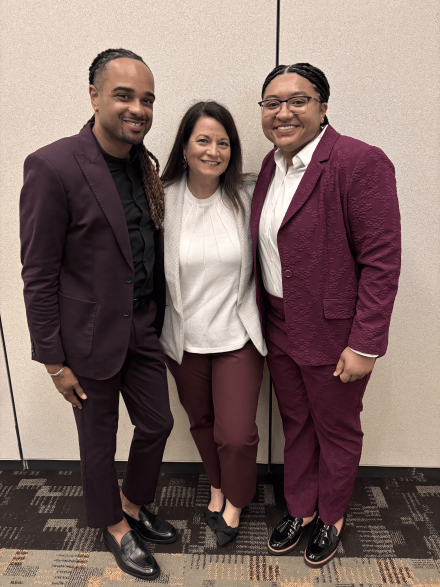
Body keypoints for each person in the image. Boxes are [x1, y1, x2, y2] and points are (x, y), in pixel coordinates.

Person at [20, 48, 177, 581]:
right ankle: (112, 525)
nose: (138, 108)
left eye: (147, 99)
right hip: (85, 337)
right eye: (125, 95)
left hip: (141, 326)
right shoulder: (54, 165)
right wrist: (52, 361)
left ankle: (132, 506)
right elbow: (38, 272)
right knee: (98, 440)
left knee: (158, 423)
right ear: (93, 96)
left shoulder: (144, 164)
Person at [251, 63, 401, 567]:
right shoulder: (271, 166)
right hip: (277, 321)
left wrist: (365, 343)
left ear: (323, 106)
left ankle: (331, 515)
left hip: (335, 332)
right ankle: (301, 507)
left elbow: (381, 259)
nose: (283, 112)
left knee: (336, 426)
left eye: (298, 100)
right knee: (296, 422)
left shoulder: (360, 161)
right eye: (272, 103)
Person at [160, 101, 267, 546]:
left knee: (237, 434)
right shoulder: (162, 198)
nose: (213, 150)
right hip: (184, 338)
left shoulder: (247, 193)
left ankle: (237, 500)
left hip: (236, 335)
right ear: (184, 147)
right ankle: (218, 486)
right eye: (203, 140)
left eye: (223, 142)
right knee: (201, 422)